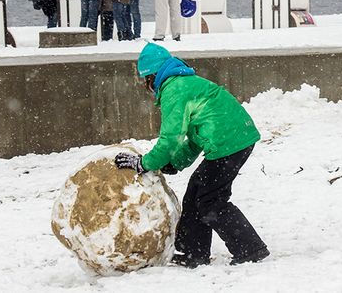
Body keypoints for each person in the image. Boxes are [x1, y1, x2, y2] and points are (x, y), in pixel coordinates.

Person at [115, 43, 269, 268]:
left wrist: (144, 163)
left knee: (210, 201)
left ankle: (251, 249)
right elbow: (197, 136)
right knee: (196, 192)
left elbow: (170, 139)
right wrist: (175, 163)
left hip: (229, 143)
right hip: (234, 137)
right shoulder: (184, 83)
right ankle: (193, 253)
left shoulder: (174, 90)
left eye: (145, 81)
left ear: (152, 77)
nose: (147, 87)